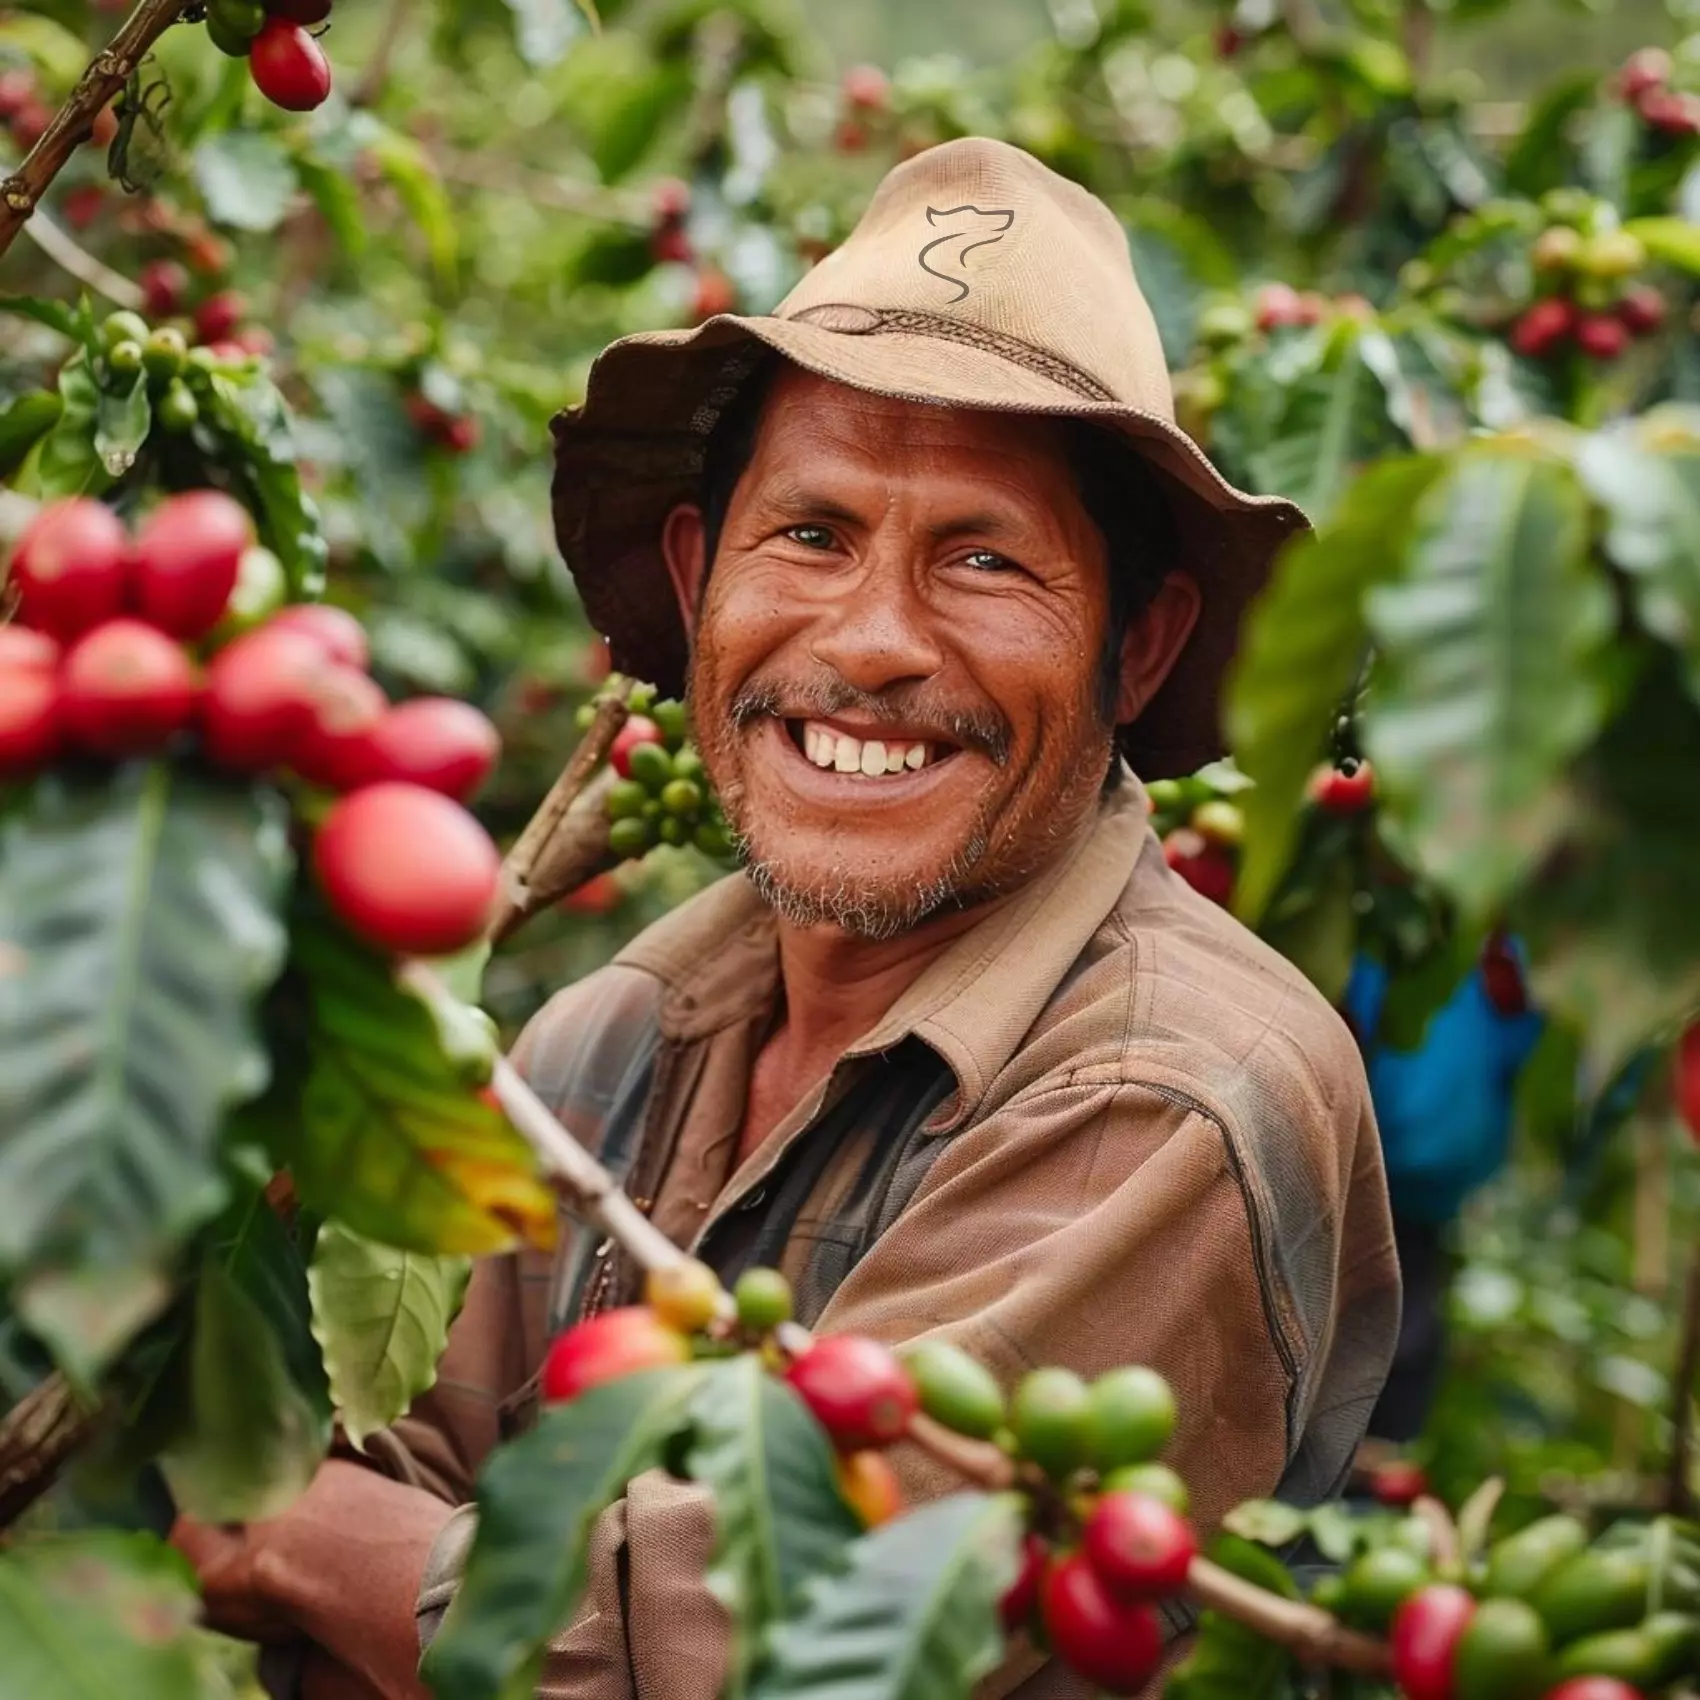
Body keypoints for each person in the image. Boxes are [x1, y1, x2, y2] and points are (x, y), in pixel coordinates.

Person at [172, 137, 1400, 1700]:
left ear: (1139, 651)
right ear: (698, 583)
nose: (873, 642)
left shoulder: (1177, 1094)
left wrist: (304, 1544)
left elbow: (771, 1654)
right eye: (809, 534)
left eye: (984, 557)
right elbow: (391, 1466)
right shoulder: (610, 1032)